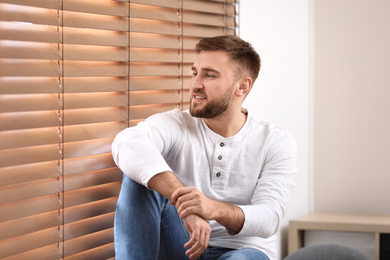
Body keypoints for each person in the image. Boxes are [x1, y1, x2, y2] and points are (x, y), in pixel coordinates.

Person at [111, 35, 297, 260]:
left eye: (209, 75)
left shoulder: (275, 141)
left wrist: (212, 208)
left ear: (242, 86)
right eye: (195, 73)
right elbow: (126, 142)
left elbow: (269, 217)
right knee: (139, 176)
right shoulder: (176, 124)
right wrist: (188, 206)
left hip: (241, 252)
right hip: (183, 244)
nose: (195, 84)